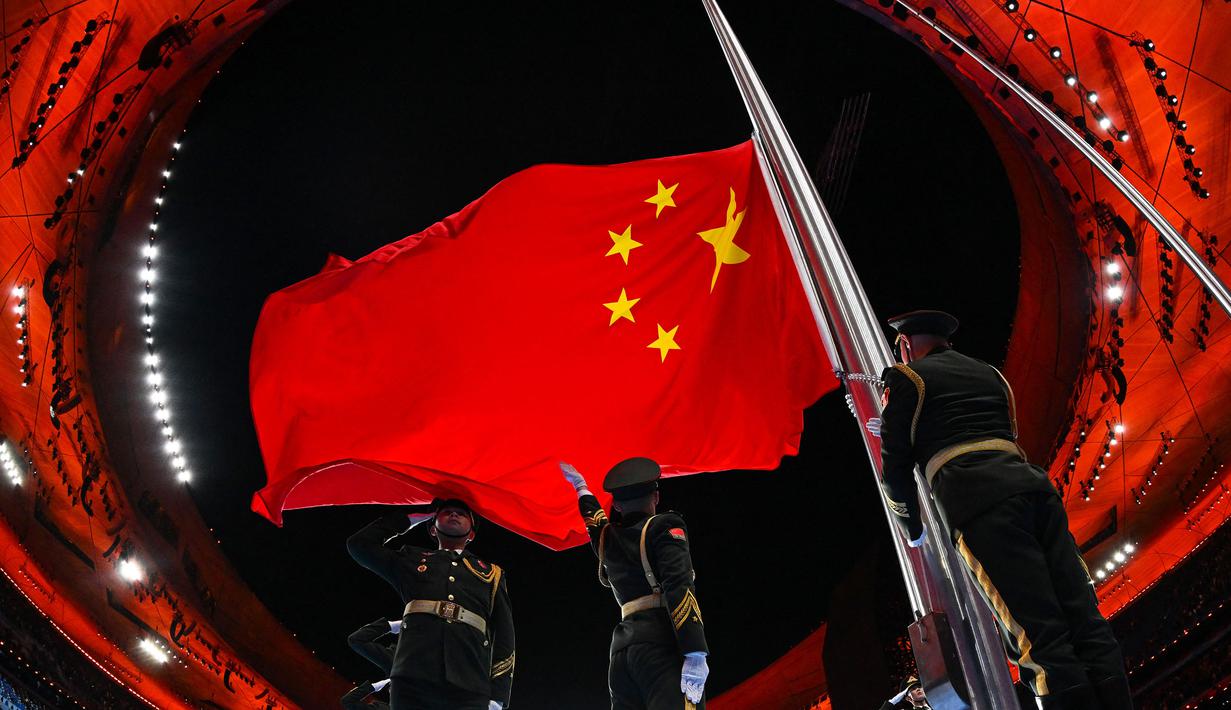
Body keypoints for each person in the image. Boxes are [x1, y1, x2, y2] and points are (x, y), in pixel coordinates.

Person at [869, 310, 1132, 709]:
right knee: (1084, 620)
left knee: (1038, 638)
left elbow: (895, 467)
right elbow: (1001, 432)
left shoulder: (905, 379)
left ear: (905, 345)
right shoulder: (991, 375)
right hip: (1034, 490)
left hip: (980, 505)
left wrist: (912, 526)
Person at [559, 458, 709, 709]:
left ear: (616, 505)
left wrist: (581, 488)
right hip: (661, 647)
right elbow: (679, 586)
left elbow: (594, 523)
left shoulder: (608, 540)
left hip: (621, 655)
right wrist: (695, 651)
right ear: (656, 496)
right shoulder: (665, 526)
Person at [347, 499, 515, 710]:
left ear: (472, 534)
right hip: (412, 675)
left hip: (470, 680)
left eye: (461, 513)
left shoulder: (491, 574)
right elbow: (359, 545)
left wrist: (498, 696)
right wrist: (414, 517)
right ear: (433, 528)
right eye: (446, 512)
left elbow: (505, 635)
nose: (454, 515)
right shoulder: (411, 559)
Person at [340, 617, 401, 709]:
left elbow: (348, 701)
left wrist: (374, 687)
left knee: (355, 641)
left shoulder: (393, 666)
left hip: (398, 666)